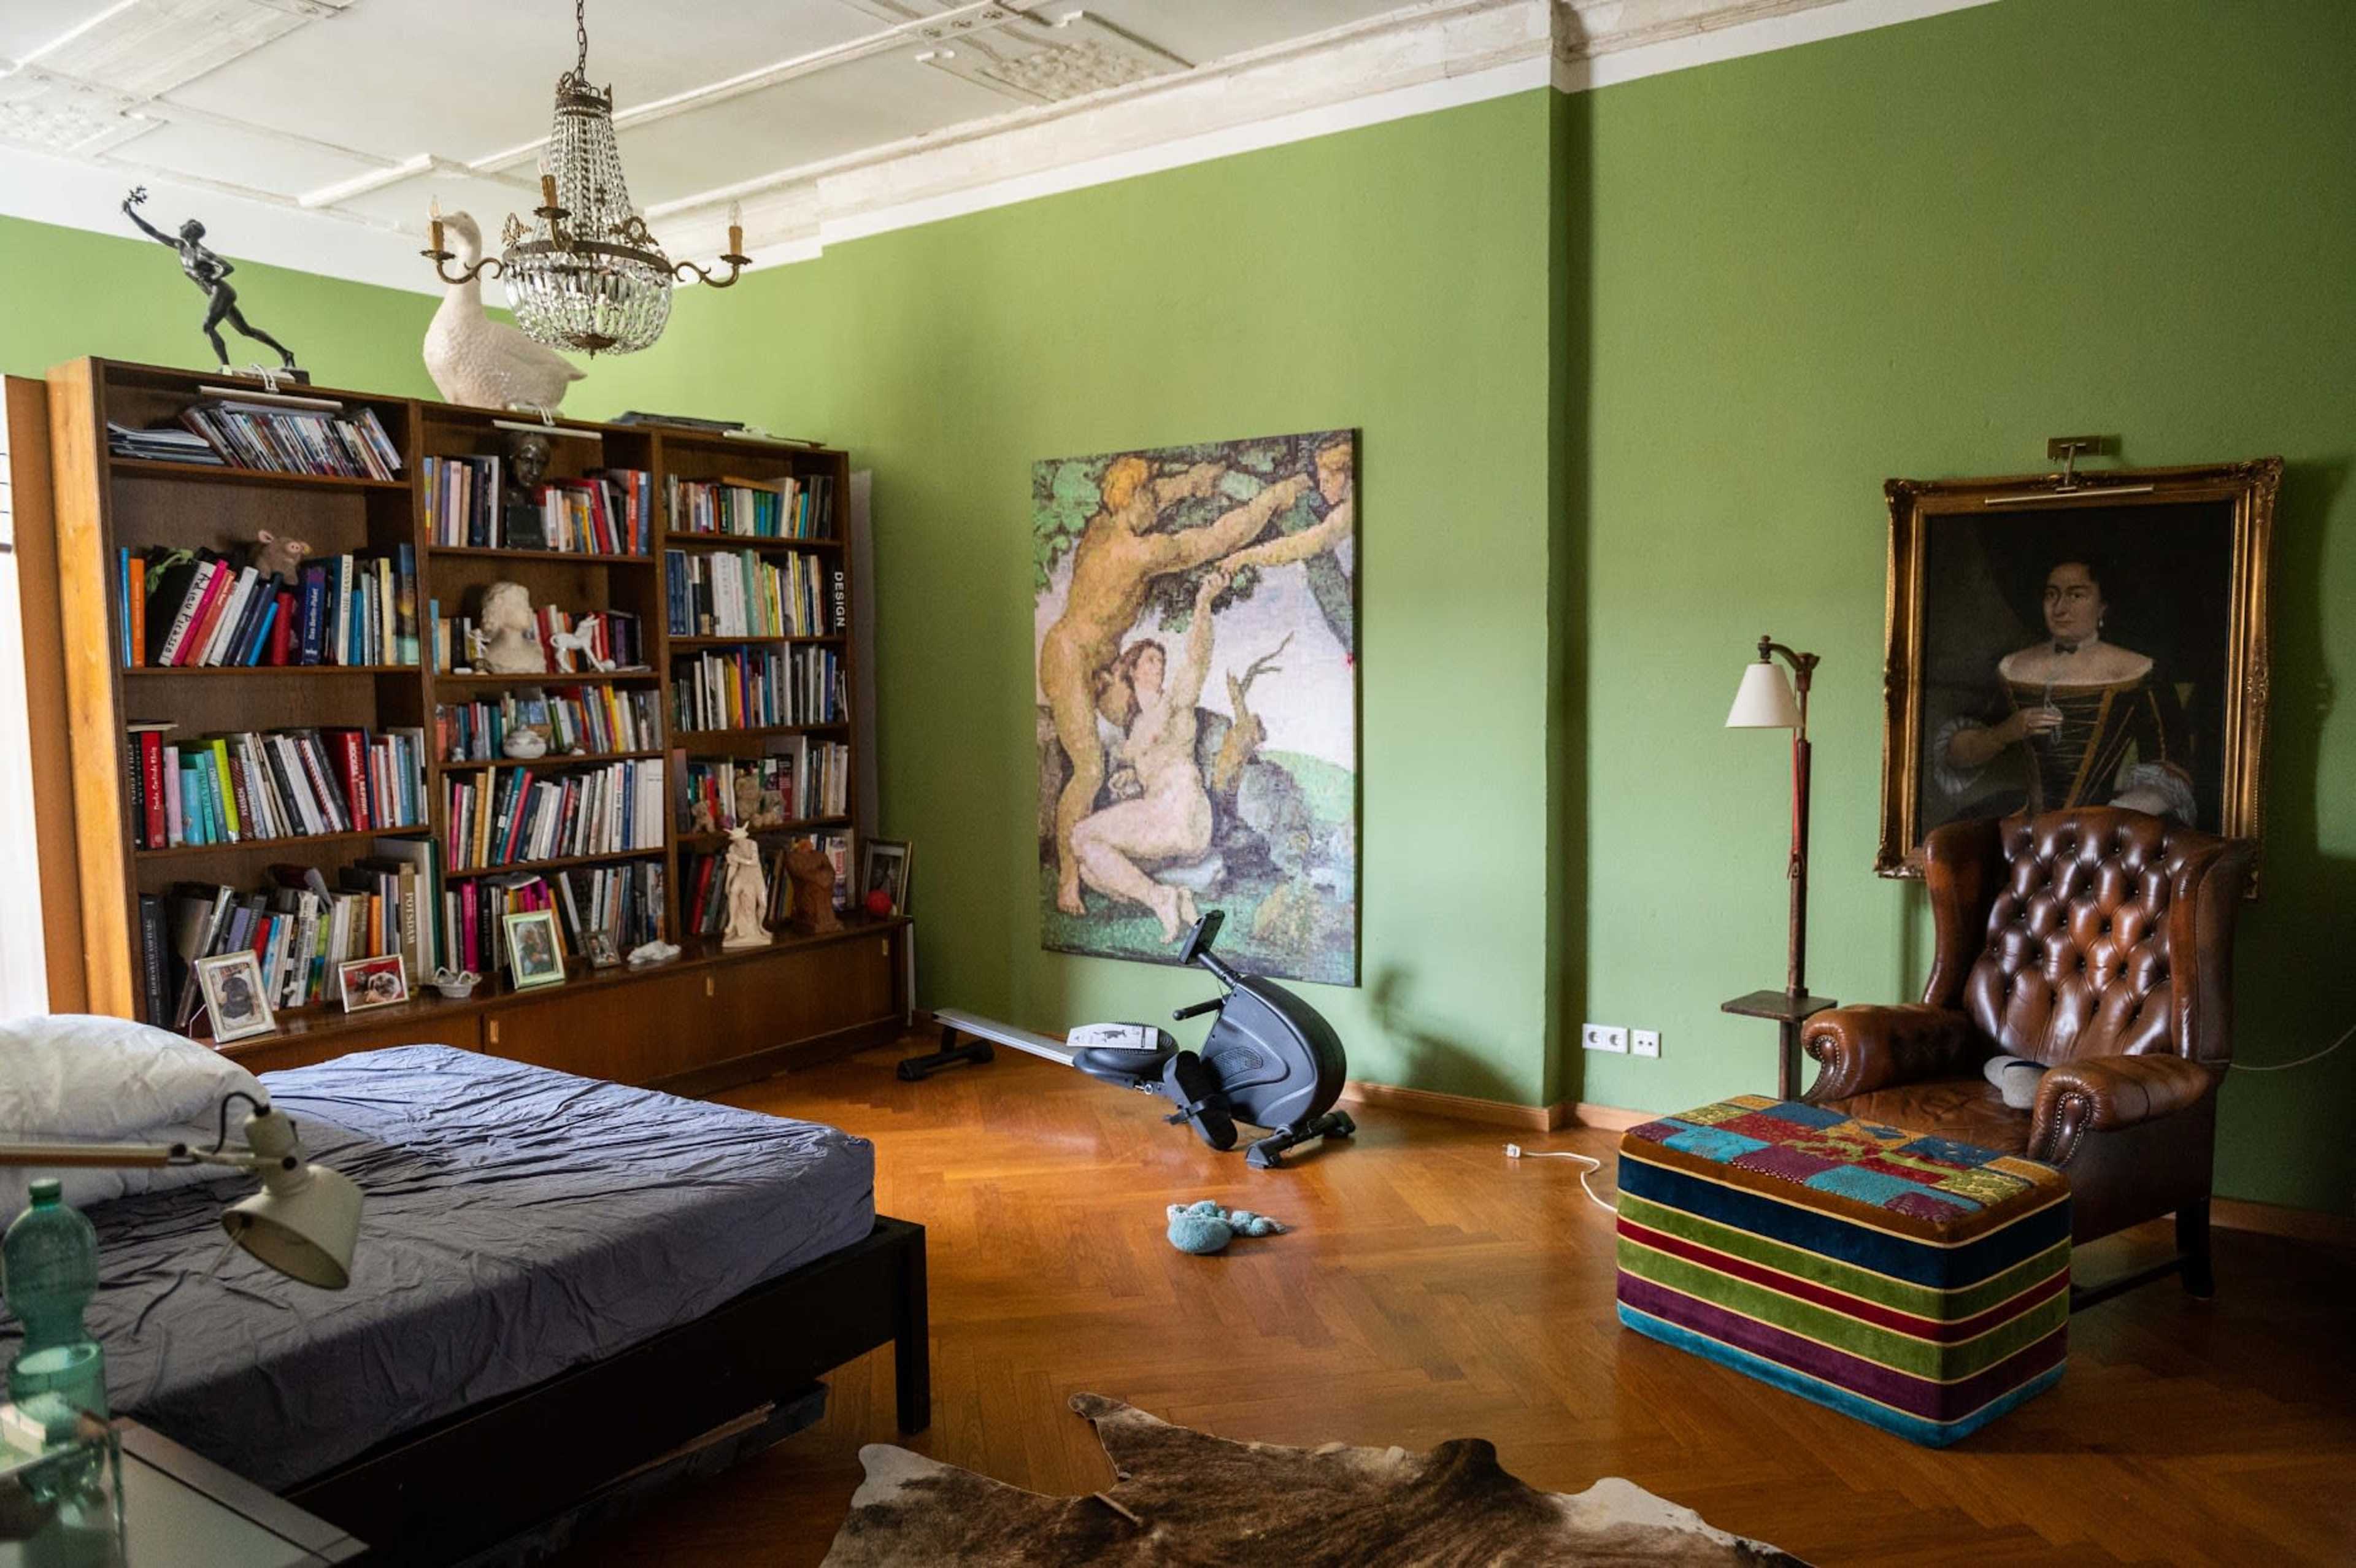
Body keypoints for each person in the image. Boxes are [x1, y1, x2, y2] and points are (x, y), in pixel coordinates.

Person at [1041, 461, 1308, 914]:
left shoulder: (1110, 521)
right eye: (1149, 497)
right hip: (1070, 655)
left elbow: (1159, 493)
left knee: (1127, 754)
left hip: (1105, 657)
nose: (1158, 504)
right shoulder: (1137, 552)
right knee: (1088, 770)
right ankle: (1068, 883)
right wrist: (1270, 501)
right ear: (1131, 499)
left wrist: (1196, 480)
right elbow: (1216, 539)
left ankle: (1133, 867)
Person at [1936, 558, 2194, 822]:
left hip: (2103, 823)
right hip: (2022, 817)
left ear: (2103, 606)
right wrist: (2005, 733)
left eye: (2076, 595)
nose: (2060, 609)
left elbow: (2170, 772)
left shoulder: (2139, 670)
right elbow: (1956, 755)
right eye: (2052, 595)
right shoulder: (2011, 666)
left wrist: (2103, 820)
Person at [1069, 568, 1232, 941]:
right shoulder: (1135, 728)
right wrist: (1131, 778)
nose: (1159, 666)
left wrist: (1203, 605)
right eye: (1151, 661)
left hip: (1183, 809)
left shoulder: (1174, 703)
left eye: (1161, 661)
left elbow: (1197, 660)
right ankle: (1174, 896)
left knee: (1080, 837)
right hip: (1160, 816)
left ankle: (1160, 898)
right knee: (1091, 870)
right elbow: (1143, 764)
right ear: (1132, 671)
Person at [120, 187, 299, 371]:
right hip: (216, 293)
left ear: (190, 233)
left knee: (208, 326)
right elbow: (153, 232)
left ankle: (226, 367)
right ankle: (286, 353)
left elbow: (228, 267)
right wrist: (130, 213)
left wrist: (213, 276)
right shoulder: (181, 246)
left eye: (183, 227)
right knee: (246, 331)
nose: (179, 228)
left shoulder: (201, 253)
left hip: (221, 292)